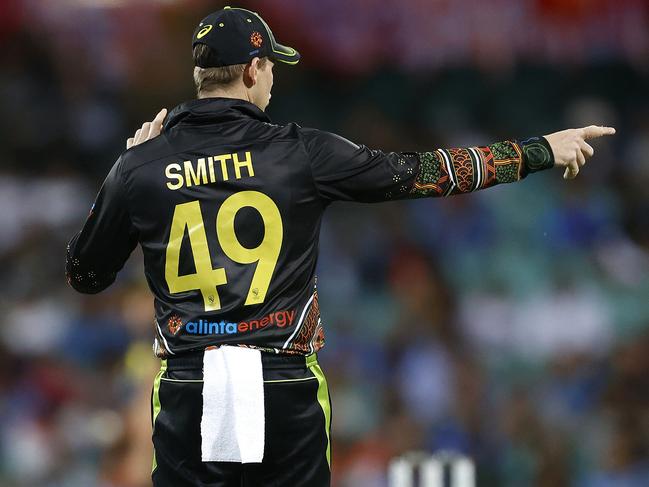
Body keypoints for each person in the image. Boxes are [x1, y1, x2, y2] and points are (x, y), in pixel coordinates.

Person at [66, 6, 615, 487]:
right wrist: (540, 150)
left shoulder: (141, 164)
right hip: (285, 379)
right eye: (272, 67)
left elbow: (86, 273)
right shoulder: (303, 152)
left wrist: (125, 170)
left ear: (200, 75)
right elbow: (427, 173)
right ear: (254, 70)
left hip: (189, 381)